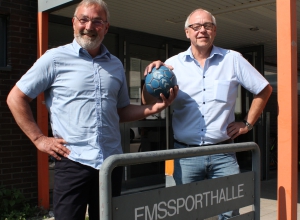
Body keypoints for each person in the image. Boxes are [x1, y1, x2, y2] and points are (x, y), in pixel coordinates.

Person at [6, 0, 177, 219]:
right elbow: (16, 97)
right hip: (72, 160)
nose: (89, 26)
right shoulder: (54, 59)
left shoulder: (115, 64)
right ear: (73, 23)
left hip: (110, 163)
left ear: (106, 27)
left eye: (97, 21)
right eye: (84, 20)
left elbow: (122, 111)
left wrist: (155, 107)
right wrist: (39, 139)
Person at [142, 8, 272, 220]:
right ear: (187, 32)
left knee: (229, 213)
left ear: (214, 31)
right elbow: (147, 102)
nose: (202, 30)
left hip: (223, 156)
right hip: (185, 156)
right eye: (196, 26)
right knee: (185, 214)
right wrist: (150, 77)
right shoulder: (173, 65)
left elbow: (264, 89)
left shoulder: (232, 60)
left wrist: (247, 124)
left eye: (207, 26)